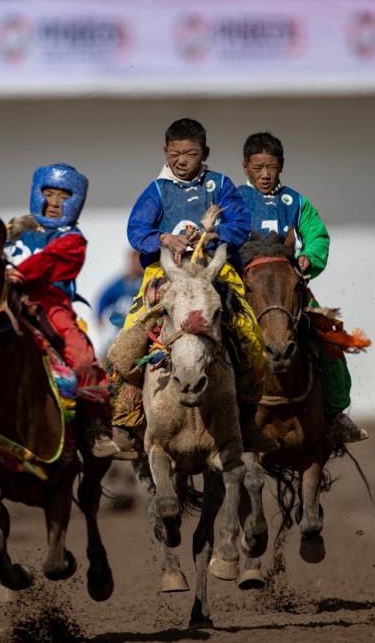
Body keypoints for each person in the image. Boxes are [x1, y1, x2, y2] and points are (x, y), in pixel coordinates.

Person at [0, 163, 122, 459]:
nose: (54, 202)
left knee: (81, 355)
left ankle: (94, 427)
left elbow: (54, 261)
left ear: (76, 200)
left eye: (63, 196)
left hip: (50, 305)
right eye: (48, 193)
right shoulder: (16, 232)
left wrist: (22, 273)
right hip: (4, 303)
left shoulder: (72, 239)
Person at [111, 117, 276, 453]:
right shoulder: (157, 190)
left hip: (215, 274)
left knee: (251, 336)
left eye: (190, 153)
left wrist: (215, 234)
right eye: (175, 154)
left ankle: (246, 419)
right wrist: (163, 238)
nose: (181, 161)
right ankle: (125, 418)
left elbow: (240, 222)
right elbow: (136, 230)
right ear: (165, 152)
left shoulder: (219, 185)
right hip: (164, 276)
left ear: (205, 153)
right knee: (128, 339)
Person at [239, 132, 367, 445]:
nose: (265, 174)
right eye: (258, 168)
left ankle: (336, 414)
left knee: (330, 340)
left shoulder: (295, 201)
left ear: (281, 166)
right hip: (246, 290)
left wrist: (310, 256)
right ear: (245, 168)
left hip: (288, 290)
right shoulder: (234, 200)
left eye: (272, 167)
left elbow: (318, 236)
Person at [95, 250, 144, 347]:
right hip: (121, 328)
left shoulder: (146, 280)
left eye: (139, 262)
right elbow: (104, 298)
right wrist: (99, 315)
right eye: (134, 261)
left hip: (140, 325)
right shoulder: (121, 283)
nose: (137, 265)